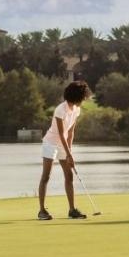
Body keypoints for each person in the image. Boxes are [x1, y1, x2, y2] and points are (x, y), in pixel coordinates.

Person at [38, 80, 90, 221]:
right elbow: (61, 133)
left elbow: (70, 133)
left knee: (69, 176)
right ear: (77, 96)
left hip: (63, 144)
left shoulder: (77, 110)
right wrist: (68, 155)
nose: (85, 98)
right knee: (46, 176)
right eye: (84, 96)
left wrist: (70, 153)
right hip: (51, 143)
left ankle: (72, 210)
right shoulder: (60, 109)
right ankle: (42, 211)